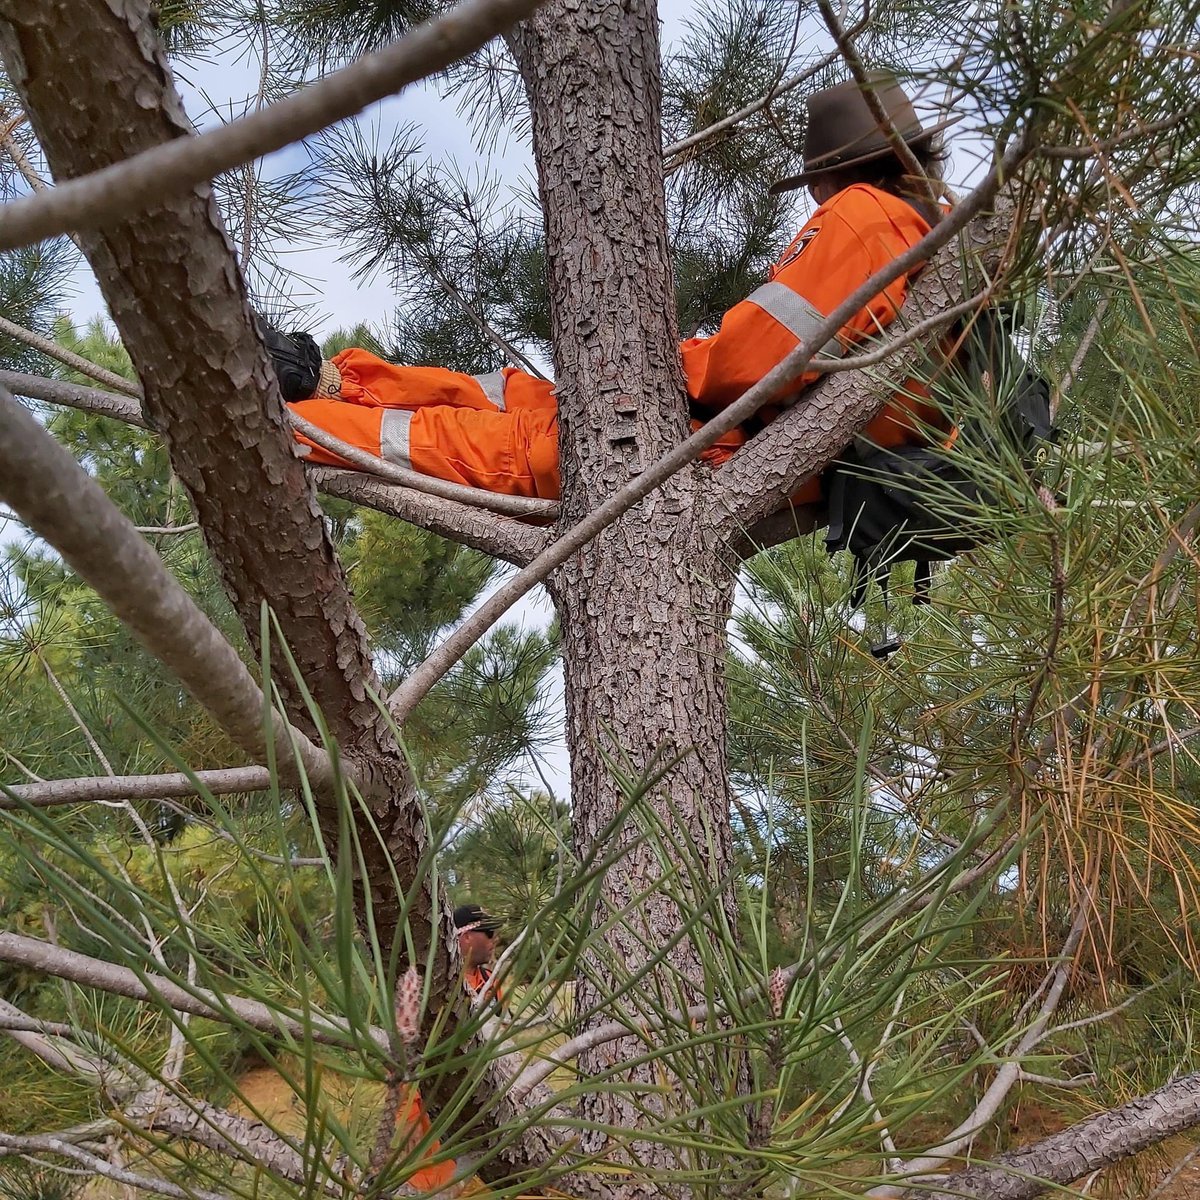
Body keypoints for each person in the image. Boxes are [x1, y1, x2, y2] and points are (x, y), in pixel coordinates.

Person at [262, 72, 954, 508]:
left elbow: (753, 360)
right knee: (515, 397)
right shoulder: (933, 241)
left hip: (704, 442)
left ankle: (280, 419)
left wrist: (662, 365)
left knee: (480, 447)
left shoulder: (868, 216)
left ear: (836, 174)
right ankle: (328, 381)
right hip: (730, 438)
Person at [396, 903, 505, 1193]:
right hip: (433, 1108)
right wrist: (409, 1126)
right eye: (489, 932)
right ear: (466, 938)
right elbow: (403, 1055)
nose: (496, 939)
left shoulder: (492, 983)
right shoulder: (430, 987)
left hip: (486, 1106)